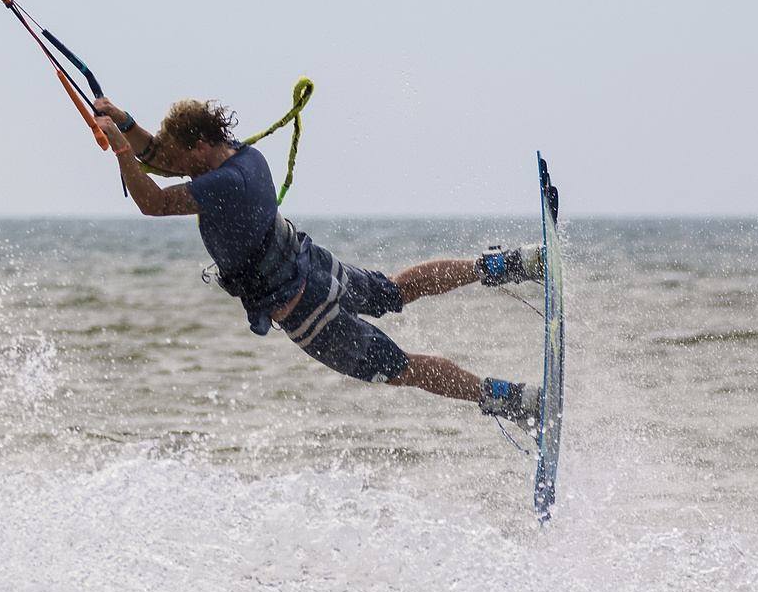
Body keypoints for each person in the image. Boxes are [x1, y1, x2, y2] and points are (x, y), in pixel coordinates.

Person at [92, 96, 545, 426]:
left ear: (200, 146)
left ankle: (514, 399)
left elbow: (151, 200)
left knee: (402, 367)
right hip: (317, 267)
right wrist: (125, 120)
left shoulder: (220, 185)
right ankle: (509, 264)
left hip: (308, 314)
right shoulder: (245, 159)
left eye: (185, 159)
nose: (179, 168)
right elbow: (165, 158)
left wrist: (121, 147)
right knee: (396, 288)